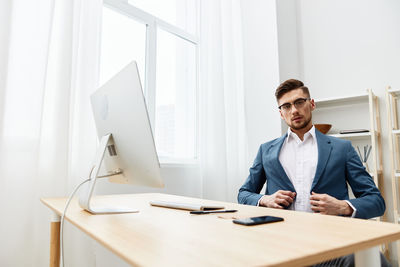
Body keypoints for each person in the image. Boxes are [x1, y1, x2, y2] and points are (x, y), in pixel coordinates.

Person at [238, 79, 389, 266]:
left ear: (311, 104)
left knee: (371, 259)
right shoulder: (266, 150)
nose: (294, 110)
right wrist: (265, 199)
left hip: (331, 245)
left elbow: (376, 201)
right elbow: (243, 194)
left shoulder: (342, 148)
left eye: (299, 102)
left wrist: (342, 206)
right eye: (286, 106)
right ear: (280, 113)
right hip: (281, 245)